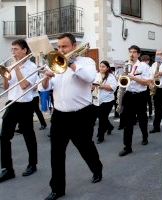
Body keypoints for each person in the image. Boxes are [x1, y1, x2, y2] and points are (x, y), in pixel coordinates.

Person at [43, 33, 103, 200]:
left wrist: (71, 64)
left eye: (64, 46)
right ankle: (57, 189)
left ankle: (97, 168)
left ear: (74, 47)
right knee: (56, 153)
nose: (60, 50)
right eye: (59, 47)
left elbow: (90, 78)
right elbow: (46, 88)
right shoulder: (55, 63)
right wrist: (46, 79)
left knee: (85, 147)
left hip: (81, 114)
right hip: (60, 115)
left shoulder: (87, 62)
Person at [0, 39, 38, 183]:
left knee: (28, 135)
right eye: (12, 49)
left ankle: (32, 164)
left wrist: (16, 68)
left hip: (25, 104)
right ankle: (8, 169)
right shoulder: (11, 66)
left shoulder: (32, 67)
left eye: (16, 49)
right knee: (4, 137)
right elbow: (6, 87)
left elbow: (24, 86)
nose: (13, 52)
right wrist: (5, 75)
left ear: (25, 50)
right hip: (12, 102)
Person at [118, 45, 151, 157]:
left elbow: (147, 82)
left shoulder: (143, 66)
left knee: (142, 118)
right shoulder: (126, 65)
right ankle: (127, 147)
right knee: (128, 123)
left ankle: (145, 136)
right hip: (129, 95)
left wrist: (134, 78)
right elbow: (122, 79)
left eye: (134, 52)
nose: (132, 54)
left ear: (138, 54)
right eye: (130, 52)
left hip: (140, 95)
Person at [92, 60, 117, 143]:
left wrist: (101, 86)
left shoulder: (111, 76)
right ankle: (109, 127)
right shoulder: (96, 75)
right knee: (102, 117)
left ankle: (100, 136)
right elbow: (92, 85)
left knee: (102, 119)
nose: (101, 68)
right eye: (100, 66)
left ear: (107, 68)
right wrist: (92, 87)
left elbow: (113, 88)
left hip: (107, 101)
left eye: (103, 66)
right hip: (96, 99)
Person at [140, 55, 153, 119]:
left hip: (141, 85)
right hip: (147, 85)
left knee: (143, 101)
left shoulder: (139, 66)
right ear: (148, 61)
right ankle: (150, 113)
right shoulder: (149, 67)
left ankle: (143, 114)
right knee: (149, 101)